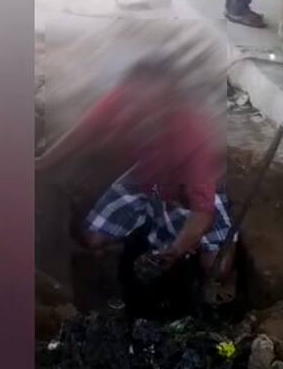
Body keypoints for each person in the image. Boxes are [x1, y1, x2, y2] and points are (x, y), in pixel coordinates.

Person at [36, 58, 236, 305]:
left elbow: (202, 213)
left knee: (216, 264)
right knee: (93, 239)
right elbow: (84, 132)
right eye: (136, 109)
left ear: (170, 106)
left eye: (152, 112)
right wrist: (42, 162)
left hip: (186, 195)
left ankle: (225, 282)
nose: (141, 118)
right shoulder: (123, 99)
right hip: (146, 178)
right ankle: (112, 280)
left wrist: (174, 252)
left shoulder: (194, 138)